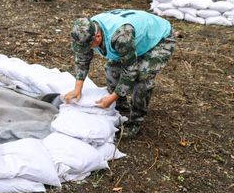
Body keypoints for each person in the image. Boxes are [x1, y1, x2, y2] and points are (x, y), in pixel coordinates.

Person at [65, 9, 175, 138]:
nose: (88, 49)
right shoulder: (85, 31)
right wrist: (77, 89)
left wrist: (111, 97)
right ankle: (120, 107)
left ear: (98, 37)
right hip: (135, 38)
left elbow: (130, 71)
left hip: (158, 39)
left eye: (89, 46)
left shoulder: (121, 36)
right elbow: (82, 59)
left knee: (142, 77)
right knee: (112, 70)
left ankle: (135, 122)